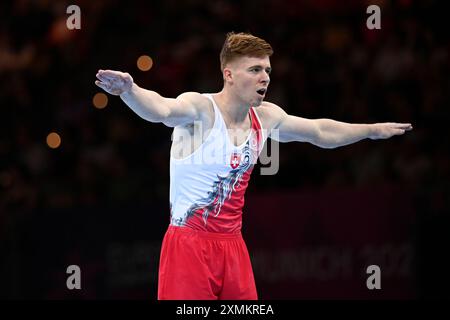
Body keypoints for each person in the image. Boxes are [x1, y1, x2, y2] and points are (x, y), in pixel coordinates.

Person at [95, 32, 412, 300]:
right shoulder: (201, 109)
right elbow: (162, 109)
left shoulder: (266, 116)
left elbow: (320, 132)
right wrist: (130, 91)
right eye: (255, 69)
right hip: (188, 245)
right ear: (229, 74)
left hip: (234, 246)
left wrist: (370, 130)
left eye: (268, 71)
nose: (265, 78)